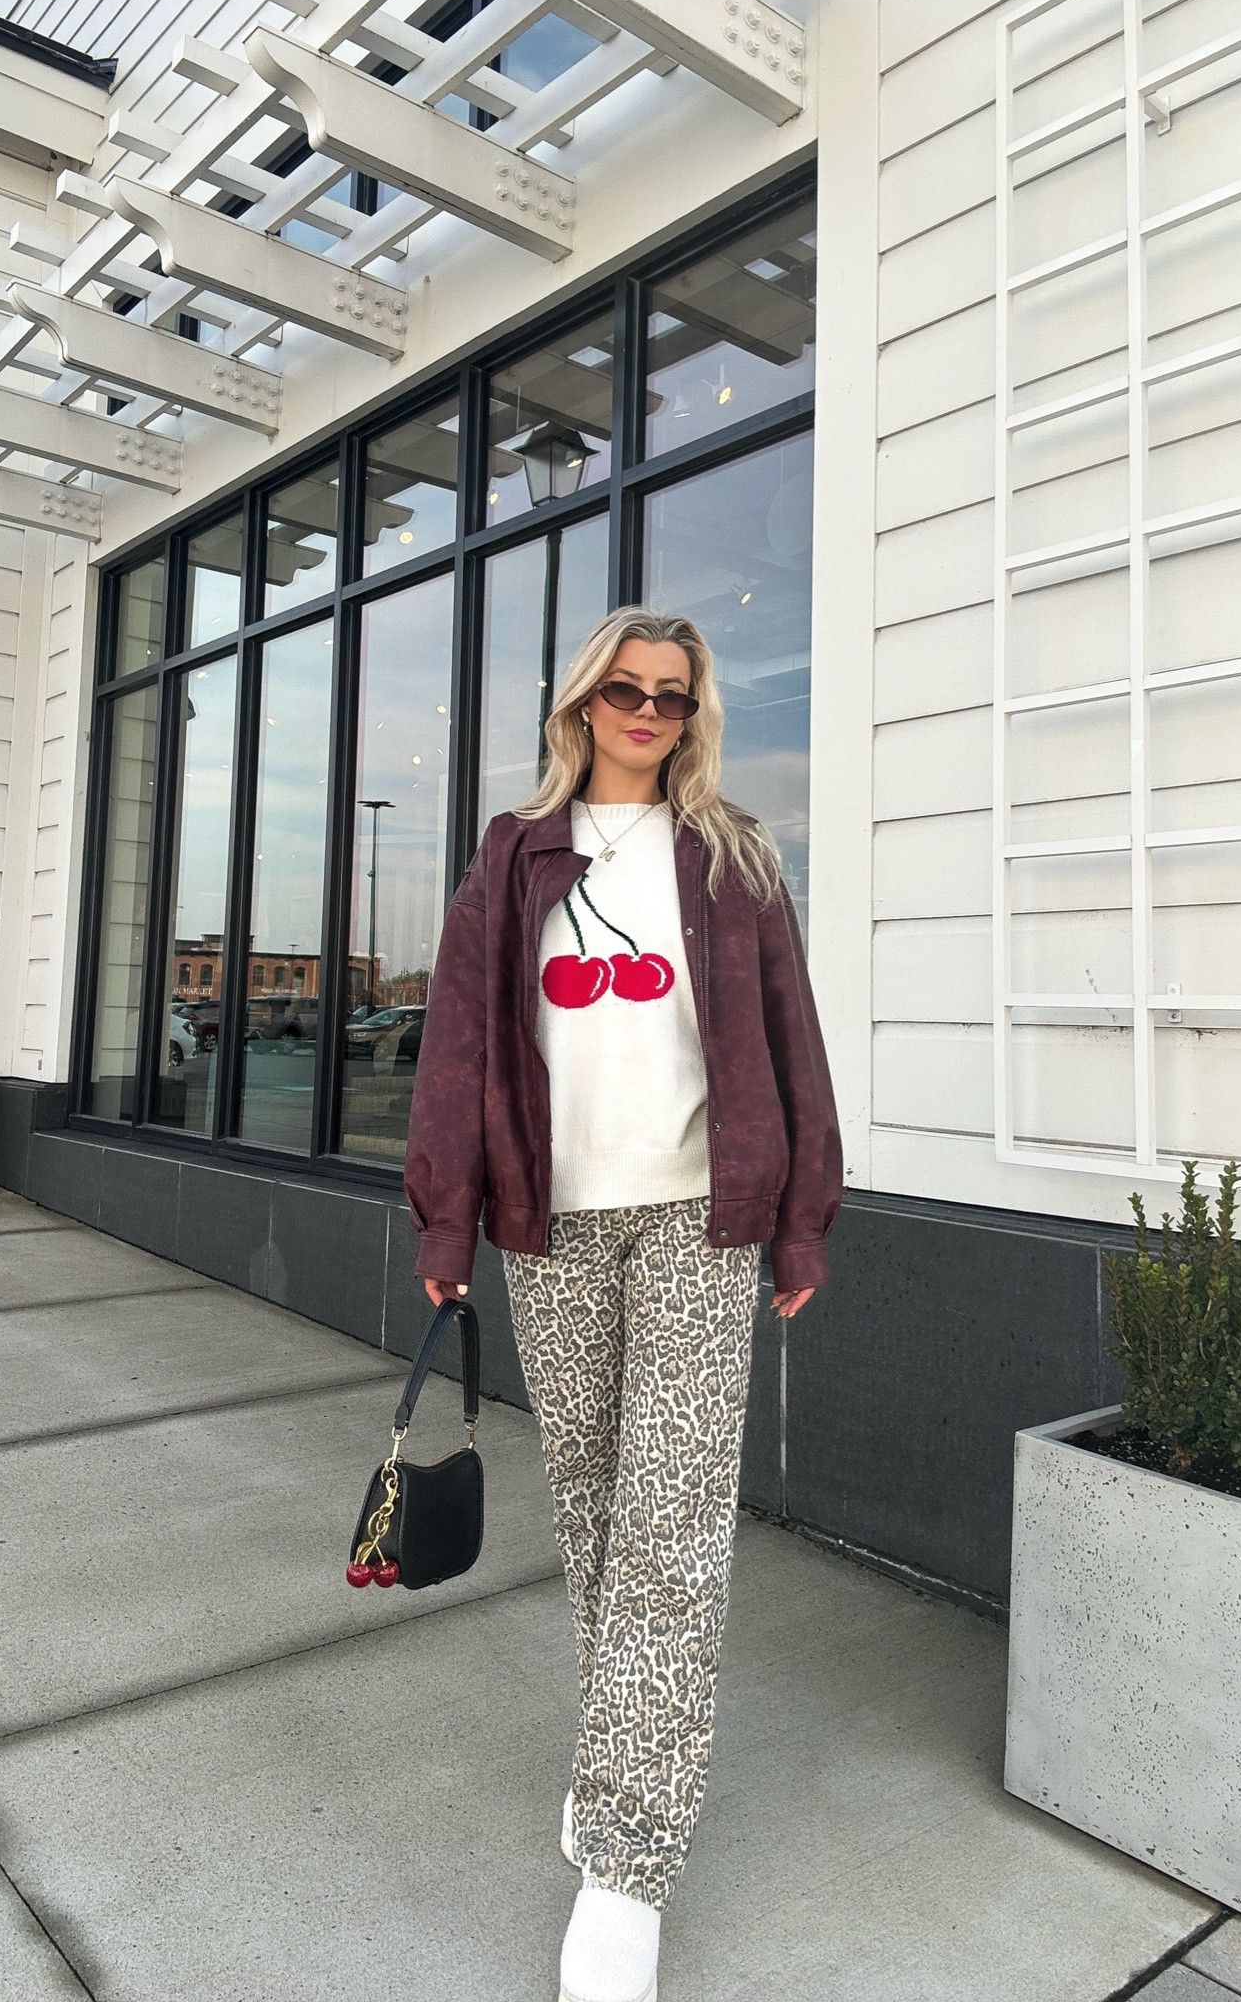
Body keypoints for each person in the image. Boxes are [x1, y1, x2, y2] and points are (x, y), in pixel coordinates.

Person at [404, 605, 842, 2002]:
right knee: (597, 1518)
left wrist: (801, 1224)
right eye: (626, 691)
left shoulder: (733, 855)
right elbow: (459, 1045)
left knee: (671, 1534)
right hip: (557, 1227)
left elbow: (792, 1043)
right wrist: (447, 1215)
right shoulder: (512, 854)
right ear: (583, 704)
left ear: (692, 716)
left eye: (673, 696)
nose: (649, 713)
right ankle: (620, 1764)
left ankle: (625, 1864)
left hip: (703, 1221)